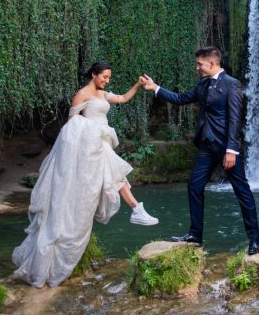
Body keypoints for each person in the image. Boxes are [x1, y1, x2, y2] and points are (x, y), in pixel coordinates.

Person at [12, 61, 158, 288]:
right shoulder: (81, 95)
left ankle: (136, 210)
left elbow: (122, 99)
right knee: (115, 175)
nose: (107, 81)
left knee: (114, 176)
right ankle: (136, 209)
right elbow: (71, 127)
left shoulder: (102, 93)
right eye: (104, 77)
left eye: (109, 78)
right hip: (89, 146)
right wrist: (81, 146)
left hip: (101, 143)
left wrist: (137, 85)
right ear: (94, 74)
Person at [140, 46, 259, 255]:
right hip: (206, 145)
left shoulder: (232, 85)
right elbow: (180, 99)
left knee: (242, 192)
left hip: (226, 148)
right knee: (194, 186)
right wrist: (155, 88)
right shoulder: (203, 85)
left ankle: (255, 239)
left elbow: (235, 119)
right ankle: (195, 235)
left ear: (212, 63)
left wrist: (232, 150)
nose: (197, 68)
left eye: (199, 64)